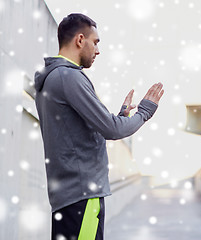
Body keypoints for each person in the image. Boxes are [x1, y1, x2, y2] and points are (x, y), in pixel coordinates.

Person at [34, 13, 164, 240]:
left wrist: (121, 115)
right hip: (82, 195)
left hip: (68, 197)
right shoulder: (69, 77)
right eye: (95, 42)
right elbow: (112, 130)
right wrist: (145, 112)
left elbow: (77, 132)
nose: (98, 50)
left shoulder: (51, 79)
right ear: (80, 40)